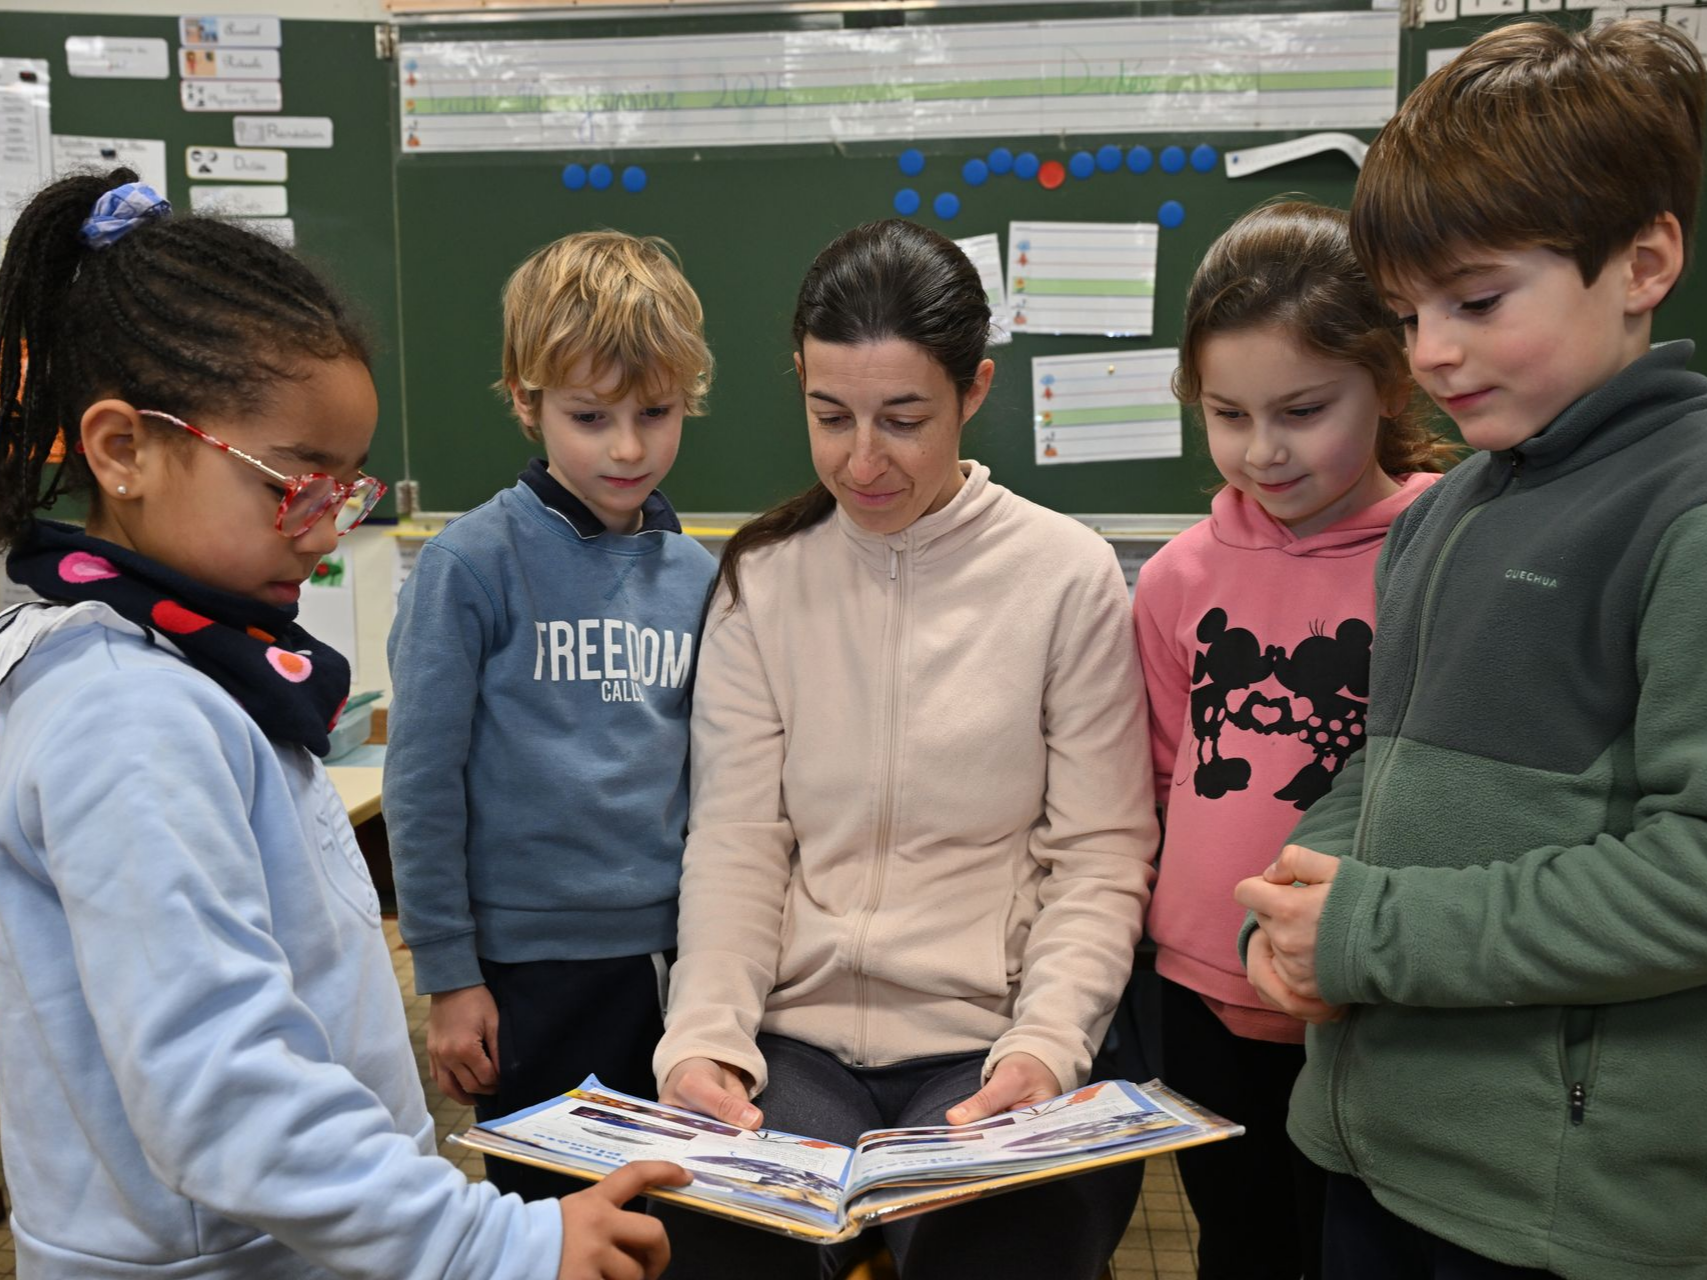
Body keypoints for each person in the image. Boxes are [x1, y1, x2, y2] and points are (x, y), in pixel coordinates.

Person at [0, 170, 683, 1279]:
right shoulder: (127, 716)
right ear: (122, 450)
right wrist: (494, 1237)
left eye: (348, 490)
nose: (327, 534)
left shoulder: (192, 667)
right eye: (297, 482)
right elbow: (223, 1092)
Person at [1232, 20, 1707, 1280]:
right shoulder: (1443, 509)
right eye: (1409, 310)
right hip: (1372, 1152)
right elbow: (1375, 769)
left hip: (1557, 1214)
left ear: (1646, 259)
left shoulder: (1687, 507)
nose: (1431, 350)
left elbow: (1695, 868)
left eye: (1480, 299)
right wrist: (1298, 908)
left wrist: (1371, 931)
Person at [650, 219, 1156, 1279]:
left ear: (975, 390)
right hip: (795, 1048)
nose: (861, 459)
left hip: (988, 1040)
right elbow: (738, 840)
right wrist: (702, 1040)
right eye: (829, 415)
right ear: (797, 379)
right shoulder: (764, 579)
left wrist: (1045, 1045)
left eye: (904, 418)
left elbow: (1102, 854)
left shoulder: (1065, 575)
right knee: (707, 1240)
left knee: (1012, 1243)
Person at [1137, 200, 1450, 1280]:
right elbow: (1171, 770)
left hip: (1363, 994)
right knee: (1240, 1244)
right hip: (1199, 993)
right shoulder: (1177, 576)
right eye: (1227, 413)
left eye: (1304, 409)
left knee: (1356, 1249)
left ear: (1393, 379)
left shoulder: (1443, 548)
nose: (1261, 450)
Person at [385, 231, 718, 1202]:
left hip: (666, 965)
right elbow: (422, 782)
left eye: (654, 413)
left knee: (672, 1218)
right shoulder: (470, 565)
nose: (626, 446)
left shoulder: (697, 575)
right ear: (526, 401)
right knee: (553, 1225)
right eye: (589, 415)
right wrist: (449, 978)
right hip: (524, 971)